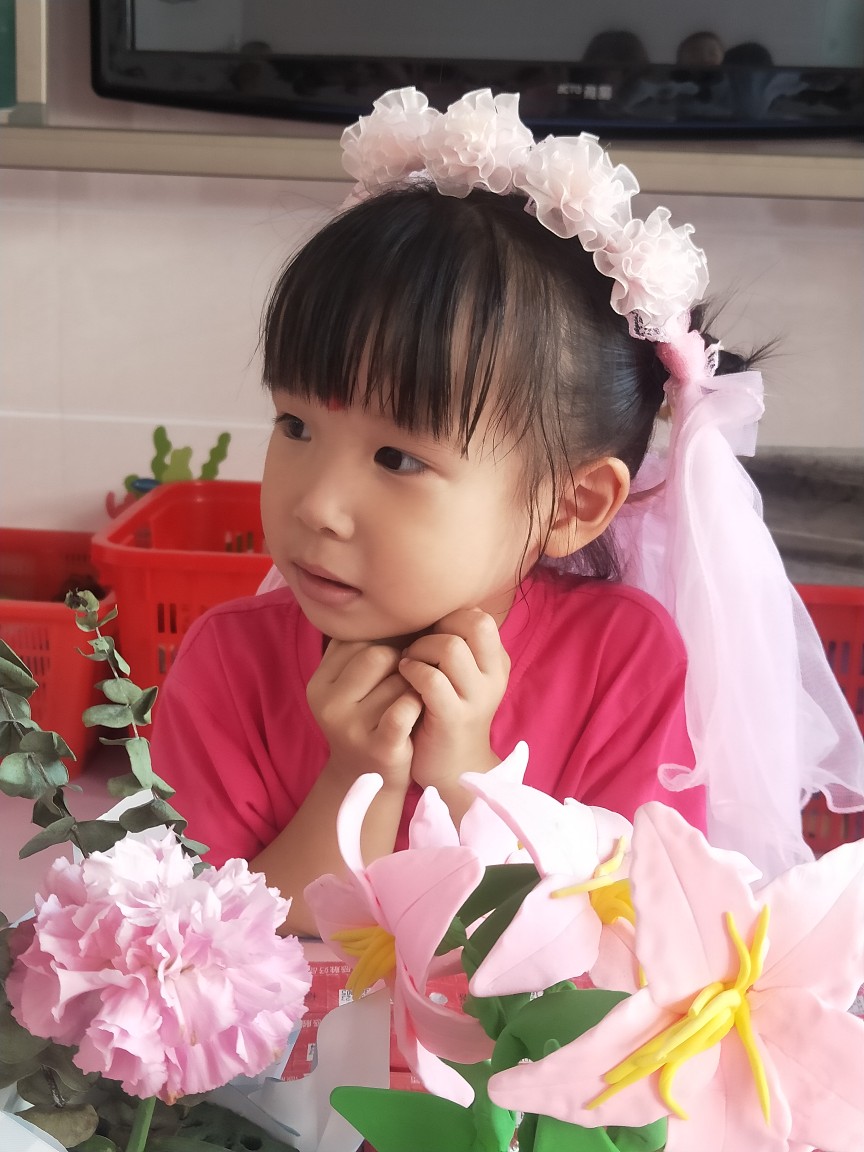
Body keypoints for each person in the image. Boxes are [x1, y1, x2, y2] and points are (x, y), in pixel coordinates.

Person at [151, 88, 864, 933]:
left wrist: (470, 775)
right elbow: (212, 952)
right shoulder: (229, 661)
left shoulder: (622, 662)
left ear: (573, 505)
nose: (317, 505)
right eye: (295, 425)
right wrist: (356, 777)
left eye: (398, 458)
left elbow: (628, 939)